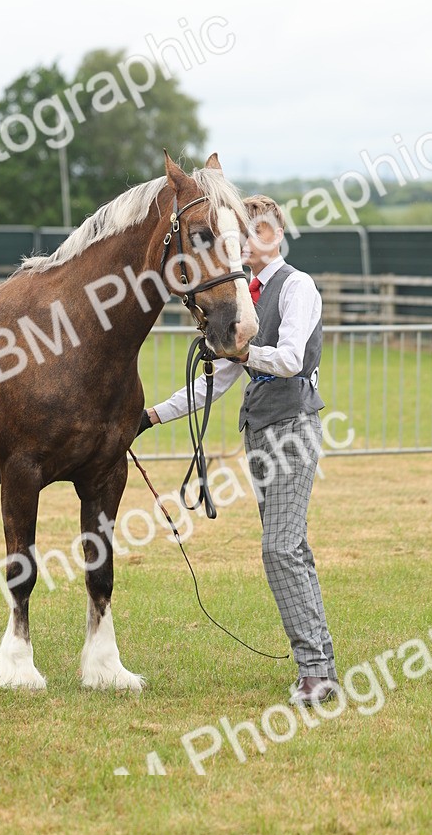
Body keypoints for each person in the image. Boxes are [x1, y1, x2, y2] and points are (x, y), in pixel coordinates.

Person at [139, 194, 337, 706]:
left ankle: (317, 673)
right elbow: (216, 381)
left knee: (280, 549)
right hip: (260, 432)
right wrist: (150, 416)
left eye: (250, 233)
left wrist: (244, 349)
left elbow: (291, 358)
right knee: (290, 549)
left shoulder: (297, 287)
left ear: (273, 234)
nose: (241, 244)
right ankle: (318, 662)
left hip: (293, 427)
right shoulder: (245, 294)